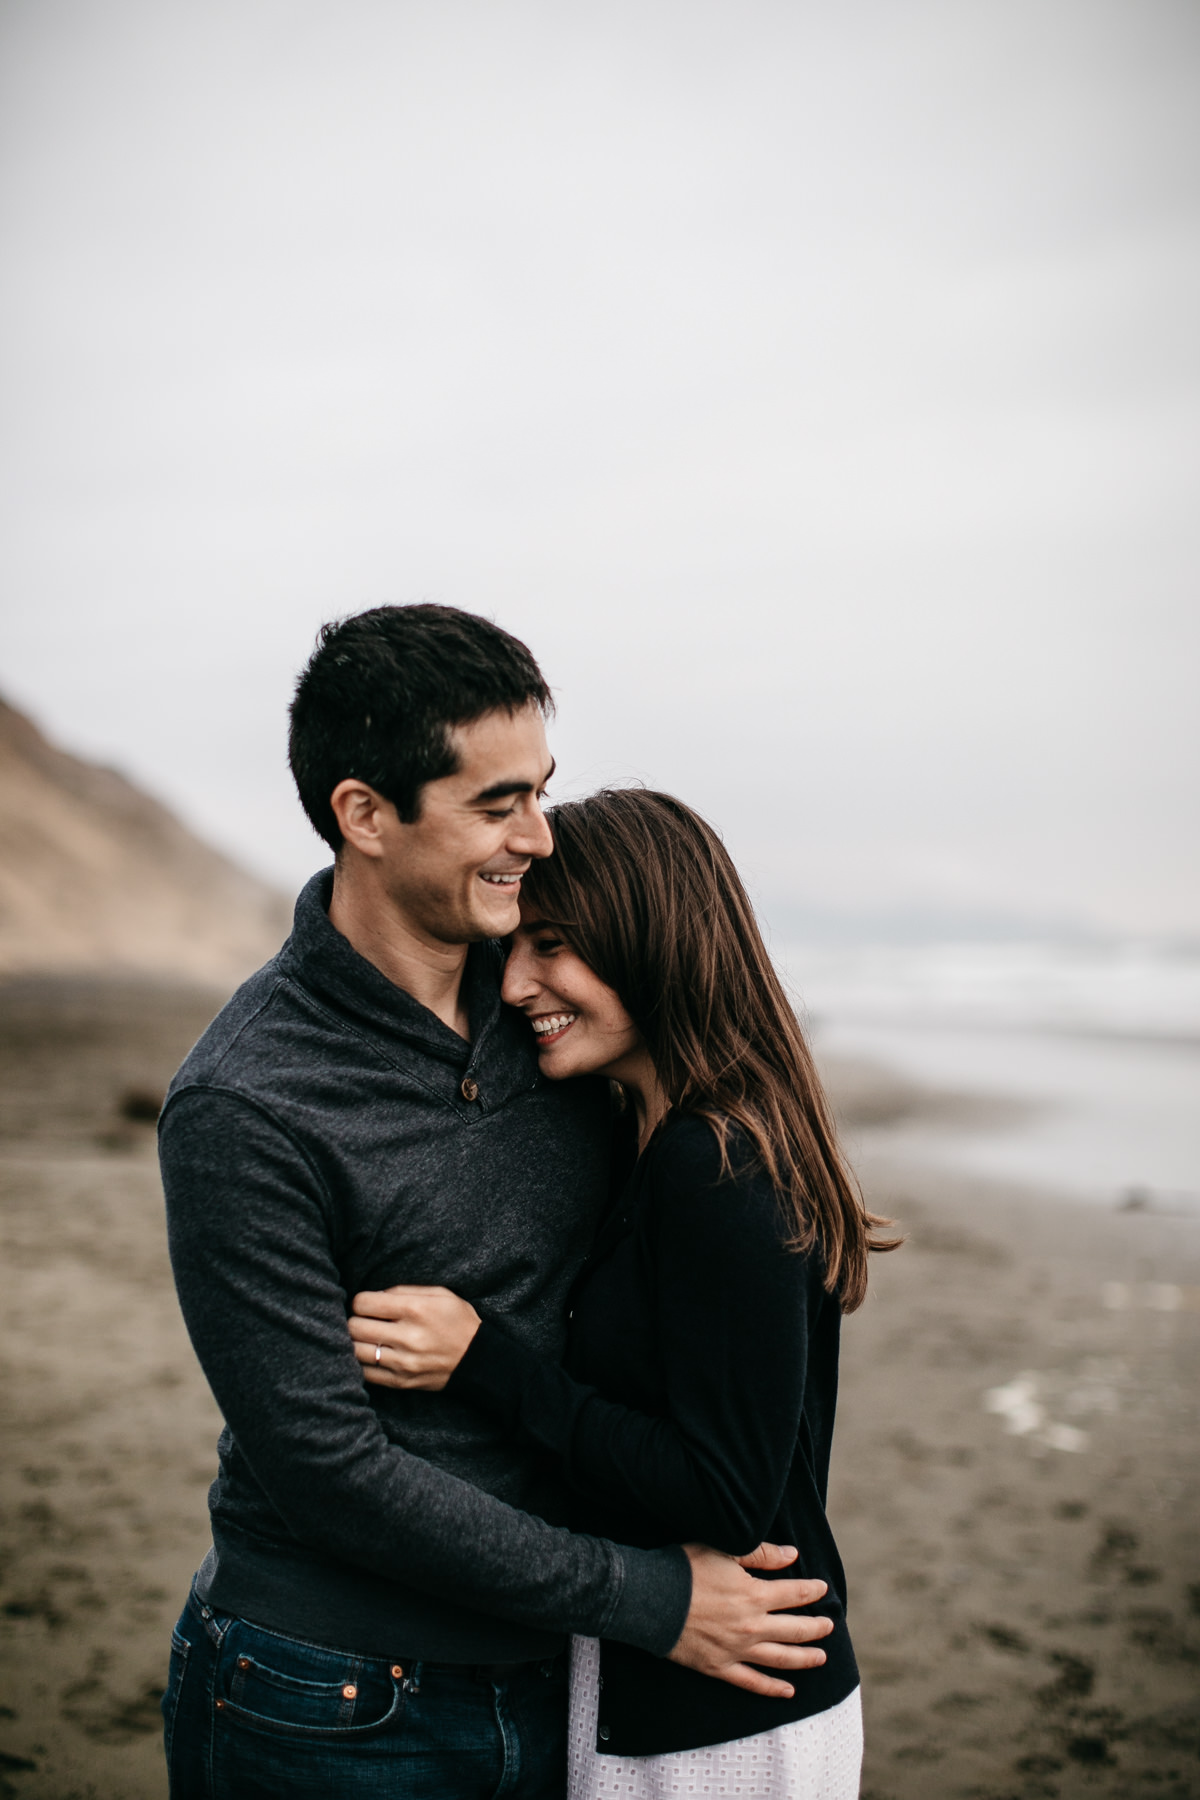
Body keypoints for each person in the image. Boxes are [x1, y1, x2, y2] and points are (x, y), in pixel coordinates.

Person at [158, 605, 835, 1800]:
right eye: (495, 803)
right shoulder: (246, 1103)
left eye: (541, 790)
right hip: (334, 1694)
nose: (538, 835)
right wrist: (646, 1599)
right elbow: (328, 1470)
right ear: (364, 814)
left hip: (561, 1678)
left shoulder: (559, 1011)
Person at [348, 786, 901, 1800]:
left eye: (553, 945)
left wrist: (484, 1363)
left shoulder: (716, 1161)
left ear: (653, 942)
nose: (516, 983)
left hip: (723, 1717)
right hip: (678, 1680)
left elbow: (723, 1494)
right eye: (517, 945)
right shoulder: (649, 1138)